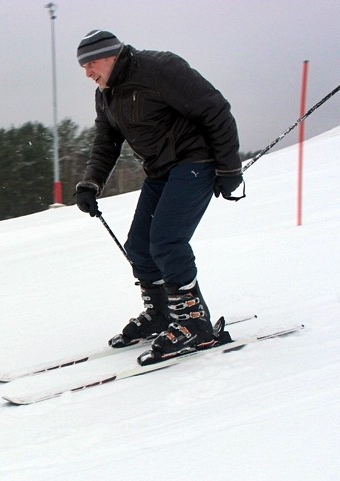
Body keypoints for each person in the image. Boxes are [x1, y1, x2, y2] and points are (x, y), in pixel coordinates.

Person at [74, 29, 244, 364]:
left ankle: (194, 323)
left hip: (196, 160)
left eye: (91, 64)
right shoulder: (105, 94)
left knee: (166, 240)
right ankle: (162, 314)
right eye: (83, 67)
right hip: (160, 170)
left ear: (112, 55)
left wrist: (229, 168)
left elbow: (216, 110)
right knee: (139, 246)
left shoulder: (159, 68)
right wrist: (90, 183)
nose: (88, 73)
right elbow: (107, 141)